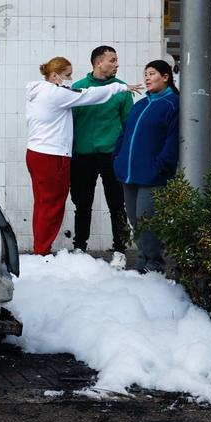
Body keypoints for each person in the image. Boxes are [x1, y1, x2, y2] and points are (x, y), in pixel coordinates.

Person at [26, 56, 140, 256]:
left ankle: (41, 248)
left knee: (43, 203)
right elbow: (88, 95)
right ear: (54, 76)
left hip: (37, 152)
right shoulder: (55, 93)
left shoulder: (40, 92)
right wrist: (120, 87)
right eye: (67, 75)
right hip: (52, 155)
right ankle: (42, 251)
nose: (71, 79)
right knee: (53, 205)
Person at [113, 59, 180, 274]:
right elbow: (124, 134)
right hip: (129, 173)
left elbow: (172, 141)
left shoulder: (173, 104)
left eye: (152, 74)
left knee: (147, 221)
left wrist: (161, 166)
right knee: (135, 221)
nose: (147, 78)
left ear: (166, 77)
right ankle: (142, 261)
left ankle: (154, 264)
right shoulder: (141, 104)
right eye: (145, 74)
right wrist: (118, 158)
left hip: (153, 175)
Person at [70, 46, 133, 264]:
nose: (116, 64)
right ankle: (79, 247)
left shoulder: (122, 90)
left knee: (117, 204)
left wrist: (123, 155)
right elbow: (69, 125)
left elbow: (127, 125)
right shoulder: (78, 89)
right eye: (112, 60)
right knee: (82, 204)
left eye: (117, 60)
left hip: (111, 156)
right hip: (82, 155)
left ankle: (120, 250)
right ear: (98, 63)